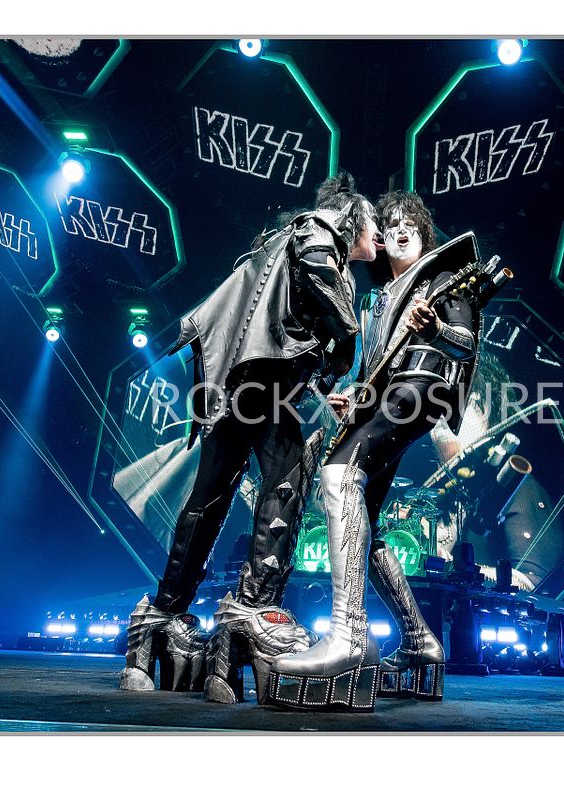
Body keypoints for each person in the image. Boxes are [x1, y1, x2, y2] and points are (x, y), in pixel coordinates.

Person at [120, 172, 380, 704]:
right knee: (283, 488)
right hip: (266, 386)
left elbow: (282, 318)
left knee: (209, 501)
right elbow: (323, 289)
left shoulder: (285, 238)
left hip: (244, 385)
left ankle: (164, 616)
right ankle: (252, 613)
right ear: (351, 216)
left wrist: (323, 380)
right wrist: (346, 344)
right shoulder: (317, 230)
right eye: (372, 221)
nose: (377, 234)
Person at [269, 190, 482, 710]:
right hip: (387, 397)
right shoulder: (379, 299)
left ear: (424, 234)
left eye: (411, 223)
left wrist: (436, 327)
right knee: (365, 522)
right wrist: (353, 398)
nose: (400, 230)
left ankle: (348, 637)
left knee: (338, 474)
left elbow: (465, 342)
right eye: (391, 224)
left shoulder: (442, 274)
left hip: (422, 387)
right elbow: (375, 371)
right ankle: (419, 640)